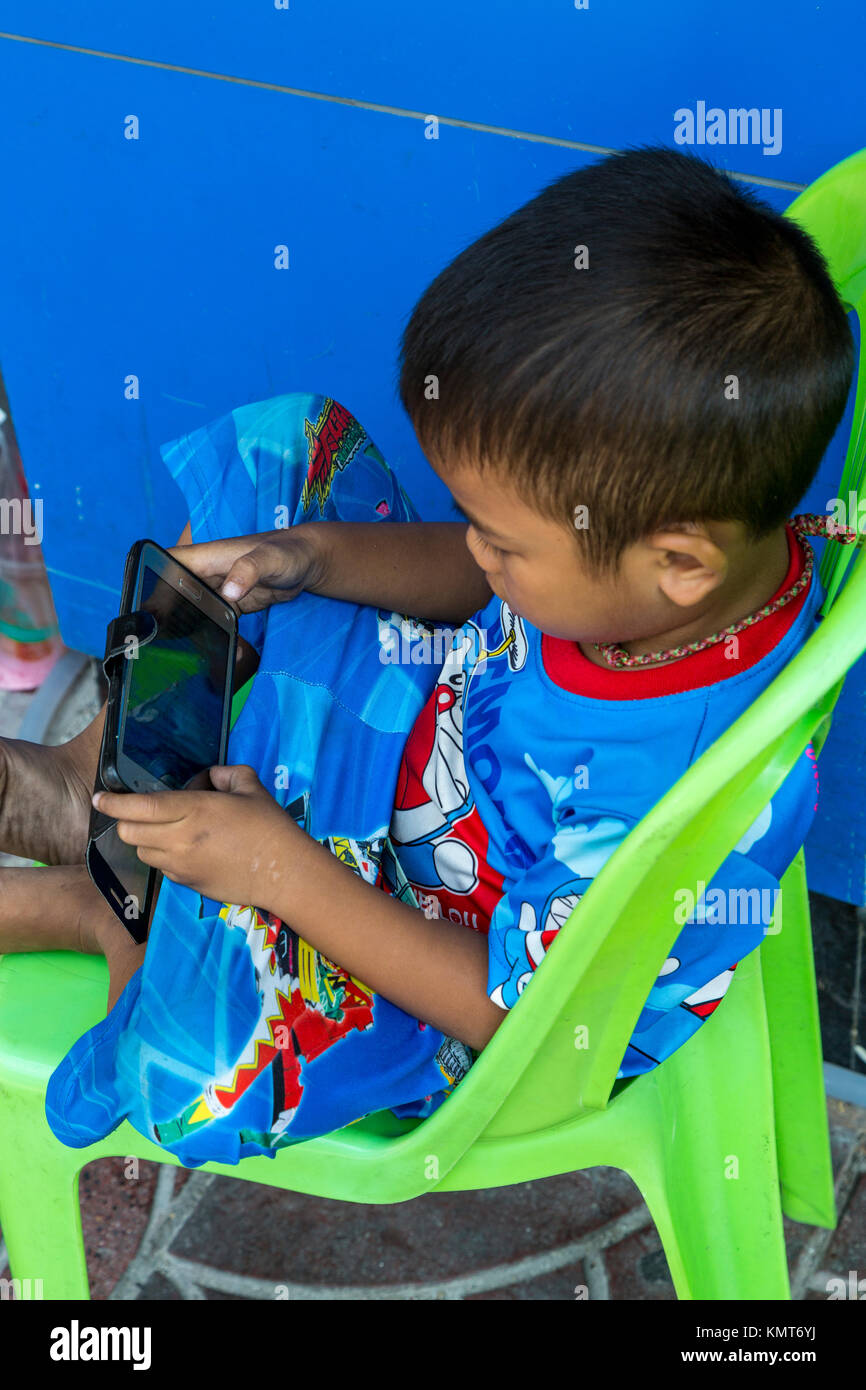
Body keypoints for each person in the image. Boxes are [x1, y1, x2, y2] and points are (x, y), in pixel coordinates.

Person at [0, 145, 855, 1167]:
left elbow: (513, 1019)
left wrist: (279, 869)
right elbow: (469, 575)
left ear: (676, 561)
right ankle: (92, 788)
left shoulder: (672, 787)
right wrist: (312, 556)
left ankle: (120, 908)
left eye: (502, 537)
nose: (476, 549)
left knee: (193, 1070)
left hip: (422, 962)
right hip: (409, 725)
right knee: (283, 466)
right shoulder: (667, 567)